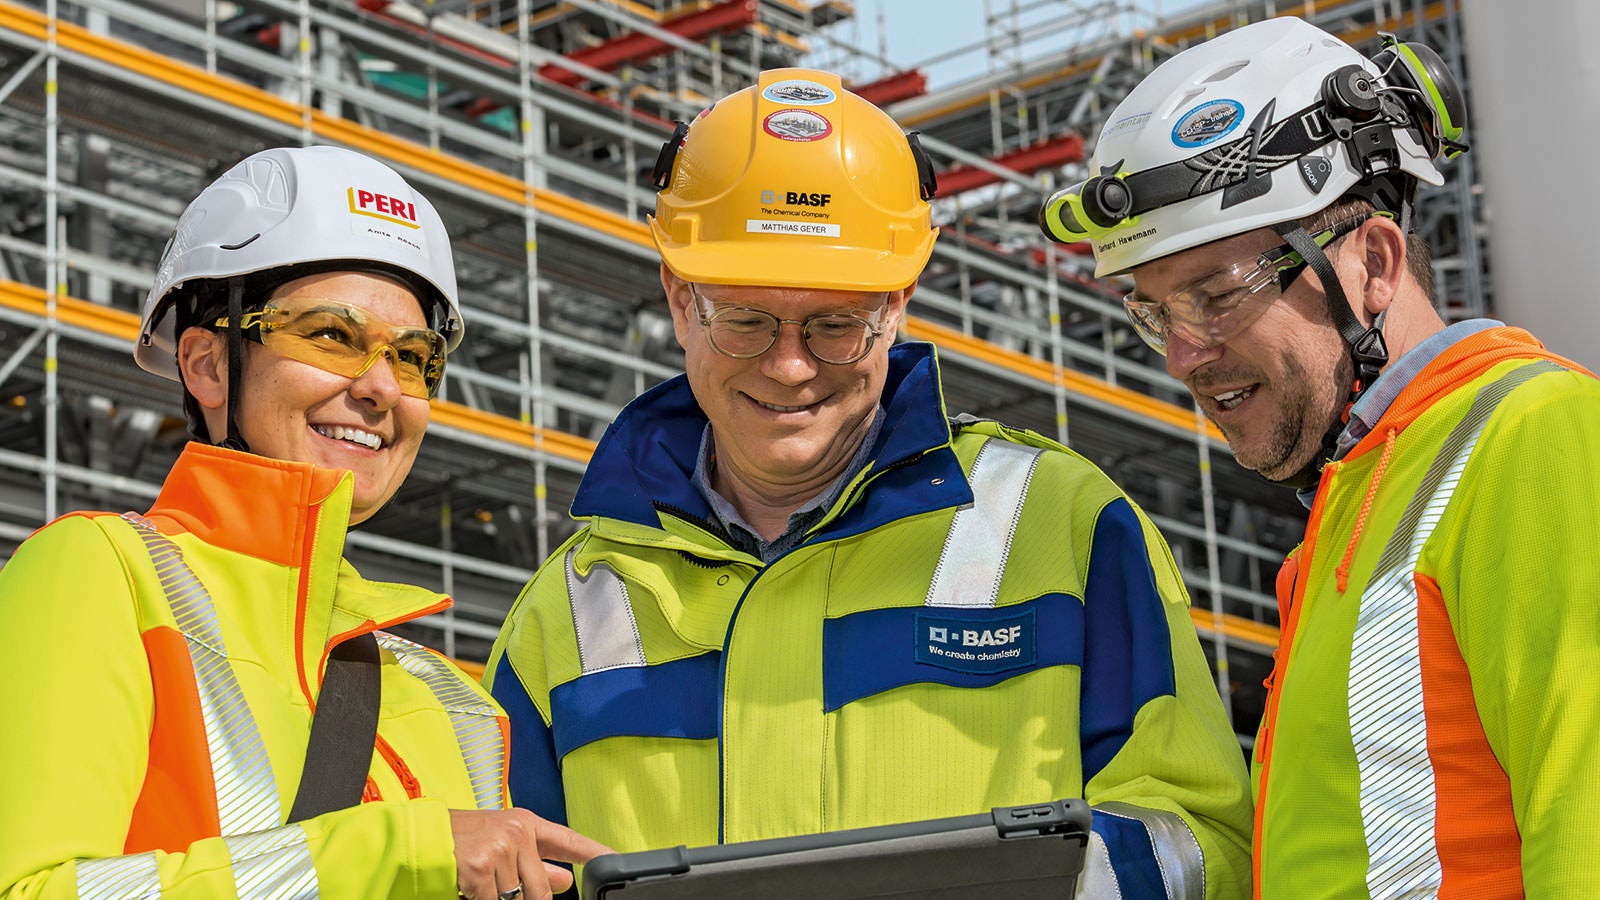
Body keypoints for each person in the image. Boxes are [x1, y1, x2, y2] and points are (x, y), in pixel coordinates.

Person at [484, 67, 1252, 898]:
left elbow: (1198, 841)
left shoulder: (1064, 527)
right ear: (679, 300)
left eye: (835, 325)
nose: (789, 365)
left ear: (897, 307)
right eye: (745, 319)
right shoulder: (566, 614)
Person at [1040, 16, 1600, 899]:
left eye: (1218, 296)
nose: (1187, 354)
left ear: (1374, 262)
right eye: (1156, 316)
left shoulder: (1536, 431)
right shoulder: (1358, 500)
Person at [0, 145, 604, 900]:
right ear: (209, 366)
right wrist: (390, 852)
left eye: (413, 357)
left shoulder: (453, 701)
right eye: (331, 335)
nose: (382, 386)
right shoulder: (102, 575)